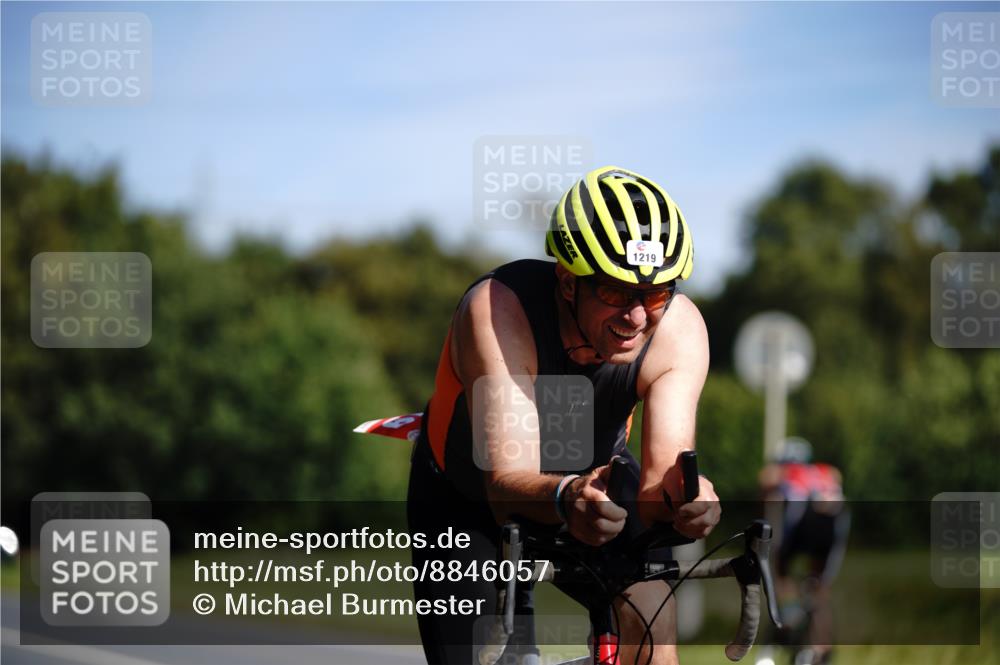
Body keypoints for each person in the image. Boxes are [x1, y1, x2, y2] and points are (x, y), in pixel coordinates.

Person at [406, 166, 720, 665]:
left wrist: (690, 501)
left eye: (655, 294)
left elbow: (659, 487)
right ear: (569, 282)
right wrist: (565, 492)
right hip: (469, 497)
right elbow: (504, 482)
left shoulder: (679, 329)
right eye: (616, 292)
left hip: (595, 485)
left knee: (653, 629)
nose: (636, 318)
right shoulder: (498, 310)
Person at [758, 438, 851, 665]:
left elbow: (765, 479)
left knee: (781, 572)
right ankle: (819, 650)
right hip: (833, 524)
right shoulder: (823, 472)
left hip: (801, 524)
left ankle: (788, 621)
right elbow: (837, 478)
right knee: (818, 589)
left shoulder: (782, 474)